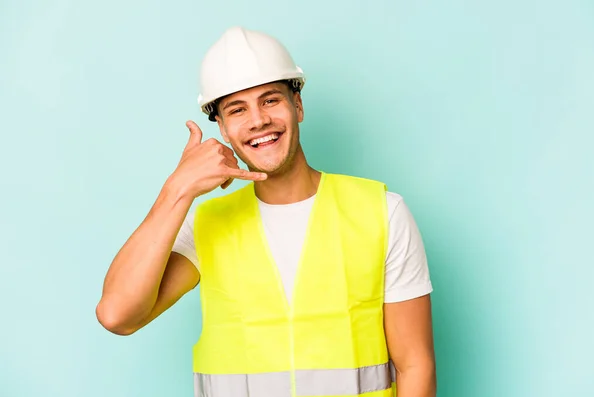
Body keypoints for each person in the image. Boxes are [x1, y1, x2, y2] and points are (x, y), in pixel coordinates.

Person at [96, 26, 436, 397]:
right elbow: (117, 315)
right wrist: (177, 190)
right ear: (223, 129)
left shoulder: (381, 213)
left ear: (298, 105)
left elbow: (415, 365)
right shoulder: (207, 225)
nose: (258, 120)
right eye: (237, 110)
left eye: (270, 100)